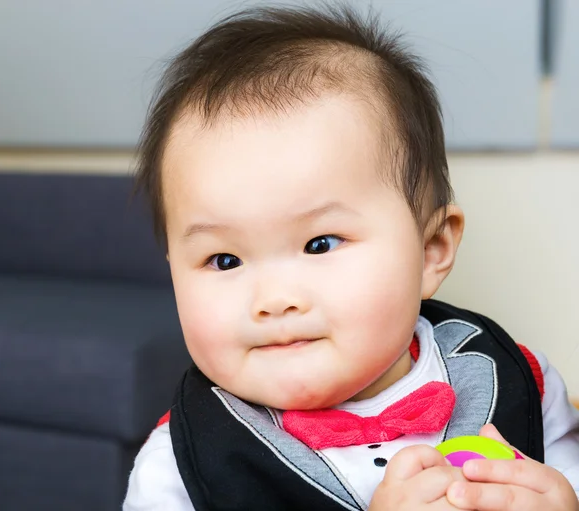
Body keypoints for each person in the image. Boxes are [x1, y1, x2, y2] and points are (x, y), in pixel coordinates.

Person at [123, 4, 579, 510]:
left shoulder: (513, 377)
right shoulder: (185, 465)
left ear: (432, 250)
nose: (274, 301)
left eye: (320, 244)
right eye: (225, 260)